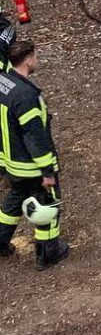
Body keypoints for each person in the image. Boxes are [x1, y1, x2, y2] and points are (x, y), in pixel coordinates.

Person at [0, 41, 69, 270]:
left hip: (11, 162)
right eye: (35, 57)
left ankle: (0, 242)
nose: (36, 60)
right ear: (28, 59)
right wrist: (48, 171)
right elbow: (35, 138)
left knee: (12, 203)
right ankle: (48, 253)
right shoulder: (26, 96)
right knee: (47, 204)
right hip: (30, 166)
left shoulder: (4, 82)